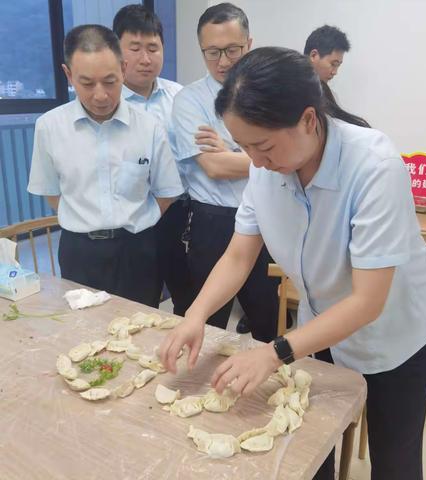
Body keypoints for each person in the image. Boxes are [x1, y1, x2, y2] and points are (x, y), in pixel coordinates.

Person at [159, 47, 426, 480]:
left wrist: (276, 351)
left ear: (309, 120)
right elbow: (240, 254)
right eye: (244, 147)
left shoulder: (374, 166)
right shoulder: (265, 167)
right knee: (309, 442)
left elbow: (368, 301)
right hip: (321, 328)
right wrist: (194, 316)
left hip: (397, 335)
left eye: (263, 146)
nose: (254, 162)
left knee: (395, 460)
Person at [27, 24, 183, 307]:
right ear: (68, 75)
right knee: (84, 332)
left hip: (138, 248)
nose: (100, 95)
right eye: (86, 83)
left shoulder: (148, 126)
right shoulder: (49, 127)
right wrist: (87, 218)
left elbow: (167, 191)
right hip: (79, 251)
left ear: (123, 69)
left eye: (110, 81)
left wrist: (137, 220)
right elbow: (52, 192)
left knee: (143, 327)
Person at [170, 3, 279, 342]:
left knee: (268, 320)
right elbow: (215, 167)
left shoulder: (271, 95)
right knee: (208, 322)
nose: (223, 61)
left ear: (249, 44)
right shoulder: (189, 100)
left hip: (269, 217)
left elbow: (289, 159)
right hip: (212, 222)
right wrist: (267, 155)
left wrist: (231, 150)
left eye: (232, 50)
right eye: (212, 52)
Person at [113, 4, 194, 315]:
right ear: (116, 51)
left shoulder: (180, 97)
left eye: (153, 48)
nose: (145, 59)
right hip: (132, 214)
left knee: (186, 293)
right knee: (140, 297)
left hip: (179, 213)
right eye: (134, 48)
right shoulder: (109, 102)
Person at [304, 25, 370, 128]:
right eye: (333, 64)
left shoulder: (329, 95)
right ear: (314, 55)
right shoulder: (295, 92)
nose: (335, 72)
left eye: (338, 66)